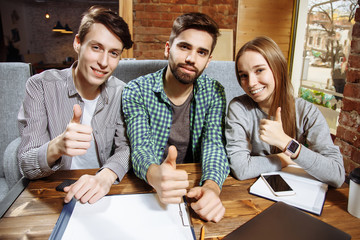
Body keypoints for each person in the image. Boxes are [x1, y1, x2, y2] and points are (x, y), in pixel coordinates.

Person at [17, 6, 133, 204]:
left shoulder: (122, 92)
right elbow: (26, 165)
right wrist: (57, 146)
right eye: (96, 48)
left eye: (114, 53)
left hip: (101, 189)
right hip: (53, 192)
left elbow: (126, 148)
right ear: (78, 43)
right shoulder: (40, 86)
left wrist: (105, 177)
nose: (104, 62)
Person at [122, 12, 229, 222]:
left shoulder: (215, 92)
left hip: (191, 187)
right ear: (168, 48)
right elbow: (140, 146)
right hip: (148, 188)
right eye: (184, 47)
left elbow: (214, 144)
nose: (191, 58)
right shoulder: (136, 90)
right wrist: (154, 175)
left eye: (201, 52)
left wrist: (211, 187)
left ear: (208, 61)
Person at [225, 36, 345, 188]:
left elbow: (337, 174)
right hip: (255, 191)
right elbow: (241, 168)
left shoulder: (307, 112)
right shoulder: (239, 108)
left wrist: (286, 142)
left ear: (278, 68)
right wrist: (285, 159)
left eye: (259, 70)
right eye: (243, 75)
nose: (251, 83)